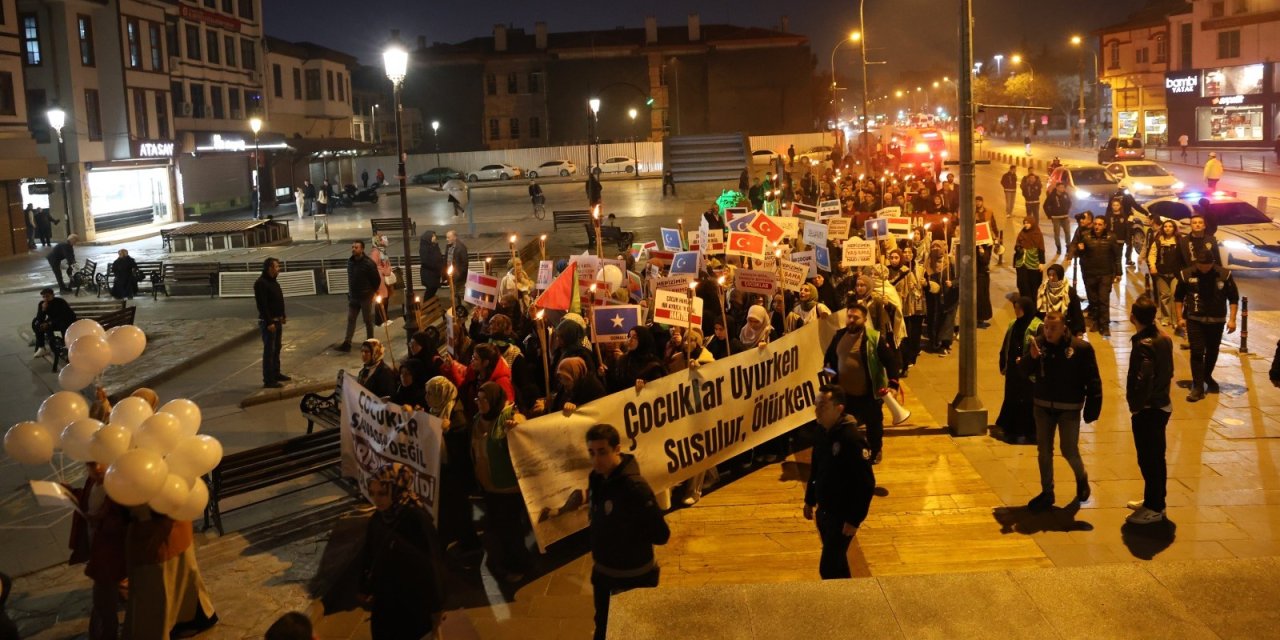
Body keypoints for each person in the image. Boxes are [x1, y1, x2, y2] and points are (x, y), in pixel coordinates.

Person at [586, 423, 670, 640]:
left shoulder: (635, 488)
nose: (596, 460)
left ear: (617, 449)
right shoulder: (596, 478)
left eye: (602, 452)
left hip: (633, 578)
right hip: (604, 575)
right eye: (591, 453)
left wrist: (626, 533)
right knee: (603, 628)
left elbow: (662, 534)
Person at [1020, 310, 1101, 511]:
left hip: (1069, 407)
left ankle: (1081, 478)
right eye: (1046, 327)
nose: (1048, 332)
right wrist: (1030, 359)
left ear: (1063, 327)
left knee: (1069, 450)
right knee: (1044, 451)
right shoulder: (1038, 344)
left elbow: (1093, 380)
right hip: (1042, 404)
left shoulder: (1080, 348)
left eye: (1053, 328)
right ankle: (1047, 492)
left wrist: (1093, 408)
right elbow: (1024, 371)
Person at [357, 463, 444, 640]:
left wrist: (436, 606)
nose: (376, 499)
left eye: (382, 493)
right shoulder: (378, 518)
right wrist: (364, 586)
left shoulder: (416, 519)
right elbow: (369, 553)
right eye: (372, 493)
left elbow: (431, 563)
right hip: (385, 604)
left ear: (397, 490)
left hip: (413, 604)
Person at [803, 385, 876, 579]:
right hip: (824, 512)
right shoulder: (821, 432)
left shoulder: (852, 439)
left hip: (842, 516)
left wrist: (854, 520)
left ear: (839, 408)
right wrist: (809, 499)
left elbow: (866, 484)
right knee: (837, 562)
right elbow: (816, 467)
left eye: (823, 406)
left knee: (827, 568)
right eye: (816, 405)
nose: (817, 411)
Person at [823, 303, 900, 464]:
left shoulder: (874, 338)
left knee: (874, 425)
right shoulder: (838, 336)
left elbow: (891, 361)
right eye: (849, 316)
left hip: (869, 393)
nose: (851, 320)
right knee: (844, 425)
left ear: (864, 320)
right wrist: (831, 376)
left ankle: (875, 449)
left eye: (855, 317)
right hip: (845, 394)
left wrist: (893, 384)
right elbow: (828, 360)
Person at [123, 508, 218, 639]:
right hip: (159, 531)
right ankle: (185, 621)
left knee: (166, 584)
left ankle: (183, 621)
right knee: (176, 580)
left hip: (161, 533)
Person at [472, 382, 531, 582]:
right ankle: (503, 563)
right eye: (477, 399)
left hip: (507, 487)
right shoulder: (477, 421)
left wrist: (517, 426)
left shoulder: (508, 416)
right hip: (488, 487)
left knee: (511, 530)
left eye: (484, 399)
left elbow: (523, 427)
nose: (479, 403)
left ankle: (518, 566)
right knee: (497, 529)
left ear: (495, 400)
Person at [1125, 294, 1174, 525]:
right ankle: (1151, 500)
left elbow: (1143, 378)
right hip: (1161, 403)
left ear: (1133, 316)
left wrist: (1137, 405)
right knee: (1153, 458)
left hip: (1150, 408)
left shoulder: (1144, 344)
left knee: (1150, 459)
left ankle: (1155, 506)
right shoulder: (1163, 338)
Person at [67, 461, 128, 640]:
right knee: (104, 601)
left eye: (102, 463)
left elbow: (125, 520)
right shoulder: (91, 482)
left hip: (110, 555)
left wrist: (101, 521)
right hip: (97, 548)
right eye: (92, 465)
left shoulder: (117, 486)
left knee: (102, 602)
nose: (98, 468)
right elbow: (88, 501)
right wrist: (70, 493)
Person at [1174, 253, 1239, 402]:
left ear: (1213, 263)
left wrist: (1232, 319)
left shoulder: (1224, 274)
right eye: (1200, 265)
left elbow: (1233, 298)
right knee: (1196, 351)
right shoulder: (1186, 274)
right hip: (1195, 319)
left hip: (1217, 320)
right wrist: (1179, 318)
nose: (1203, 268)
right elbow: (1178, 297)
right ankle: (1197, 386)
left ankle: (1207, 376)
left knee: (1212, 350)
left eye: (1207, 266)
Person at [997, 295, 1042, 444]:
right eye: (1015, 308)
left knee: (1027, 402)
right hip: (1013, 372)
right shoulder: (1013, 324)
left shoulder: (1037, 326)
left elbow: (1041, 351)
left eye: (1018, 308)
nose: (1016, 311)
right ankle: (1012, 430)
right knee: (1012, 399)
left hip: (1029, 374)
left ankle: (1029, 432)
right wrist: (1004, 363)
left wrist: (1026, 361)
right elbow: (1006, 345)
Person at [1074, 216, 1122, 337]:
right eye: (1095, 224)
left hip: (1106, 274)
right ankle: (1095, 321)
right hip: (1090, 274)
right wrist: (1079, 250)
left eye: (1100, 224)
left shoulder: (1111, 237)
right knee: (1093, 300)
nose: (1097, 226)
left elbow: (1117, 256)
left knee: (1103, 300)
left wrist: (1118, 272)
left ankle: (1105, 325)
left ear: (1105, 225)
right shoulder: (1086, 236)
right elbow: (1079, 254)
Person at [338, 241, 381, 352]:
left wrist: (373, 292)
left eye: (356, 247)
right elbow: (351, 279)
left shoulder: (369, 263)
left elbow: (376, 280)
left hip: (365, 296)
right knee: (351, 319)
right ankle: (347, 343)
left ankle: (370, 343)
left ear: (362, 249)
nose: (353, 249)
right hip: (354, 297)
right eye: (352, 247)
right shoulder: (350, 262)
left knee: (367, 320)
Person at [254, 258, 288, 389]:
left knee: (277, 348)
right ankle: (268, 379)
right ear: (270, 268)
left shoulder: (274, 282)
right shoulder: (261, 283)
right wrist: (269, 322)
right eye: (277, 266)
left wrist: (283, 315)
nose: (279, 269)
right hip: (269, 322)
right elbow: (262, 305)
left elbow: (279, 299)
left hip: (277, 320)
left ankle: (276, 372)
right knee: (269, 350)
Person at [1146, 219, 1184, 328]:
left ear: (1174, 228)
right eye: (1165, 226)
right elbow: (1152, 255)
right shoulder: (1158, 241)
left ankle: (1176, 319)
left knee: (1175, 296)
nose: (1168, 228)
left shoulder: (1179, 241)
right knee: (1164, 296)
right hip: (1161, 274)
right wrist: (1152, 266)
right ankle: (1165, 318)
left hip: (1175, 274)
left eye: (1170, 226)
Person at [1035, 264, 1085, 335]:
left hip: (1065, 328)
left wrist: (1079, 331)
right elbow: (1038, 311)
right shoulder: (1043, 290)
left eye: (1054, 275)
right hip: (1046, 327)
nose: (1051, 277)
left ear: (1060, 275)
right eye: (1049, 275)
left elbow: (1077, 313)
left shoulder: (1069, 292)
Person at [32, 287, 76, 357]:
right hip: (53, 321)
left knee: (58, 325)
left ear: (53, 295)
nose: (45, 298)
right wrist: (43, 309)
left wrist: (49, 323)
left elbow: (64, 316)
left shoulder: (60, 302)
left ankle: (64, 346)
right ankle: (41, 347)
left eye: (47, 296)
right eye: (43, 297)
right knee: (37, 324)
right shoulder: (42, 304)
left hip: (65, 320)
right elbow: (40, 318)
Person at [1013, 215, 1046, 300]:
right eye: (1024, 223)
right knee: (1022, 282)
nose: (1026, 225)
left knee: (1032, 283)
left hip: (1033, 262)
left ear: (1032, 223)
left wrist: (1042, 262)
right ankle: (1023, 301)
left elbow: (1041, 249)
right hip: (1021, 262)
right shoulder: (1022, 232)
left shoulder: (1038, 234)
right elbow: (1017, 244)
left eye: (1028, 223)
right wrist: (1018, 248)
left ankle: (1031, 303)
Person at [1042, 181, 1072, 256]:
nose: (1062, 189)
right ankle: (1059, 248)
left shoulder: (1065, 194)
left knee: (1067, 232)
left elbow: (1069, 202)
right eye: (1060, 187)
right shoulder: (1052, 196)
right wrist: (1050, 215)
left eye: (1063, 187)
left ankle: (1068, 247)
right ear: (1057, 188)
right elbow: (1045, 206)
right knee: (1057, 234)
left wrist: (1067, 210)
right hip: (1056, 218)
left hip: (1065, 217)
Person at [445, 230, 469, 308]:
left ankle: (464, 311)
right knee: (454, 295)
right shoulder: (448, 246)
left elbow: (464, 264)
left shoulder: (461, 248)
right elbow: (446, 260)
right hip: (451, 276)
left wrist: (459, 276)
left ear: (454, 237)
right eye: (446, 237)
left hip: (458, 277)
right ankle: (457, 311)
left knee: (461, 295)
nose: (447, 239)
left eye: (448, 237)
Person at [418, 229, 444, 299]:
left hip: (435, 273)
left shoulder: (435, 246)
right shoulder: (424, 248)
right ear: (428, 238)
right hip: (429, 274)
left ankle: (430, 307)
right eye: (433, 236)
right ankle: (426, 306)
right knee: (430, 291)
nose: (435, 237)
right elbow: (425, 261)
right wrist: (436, 266)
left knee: (433, 290)